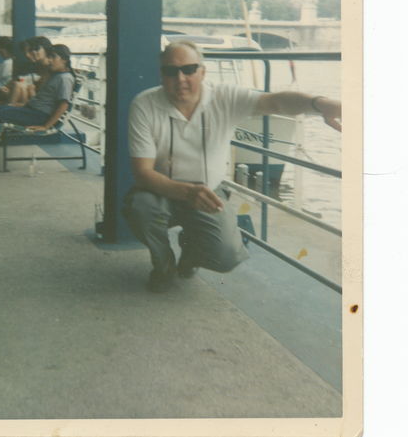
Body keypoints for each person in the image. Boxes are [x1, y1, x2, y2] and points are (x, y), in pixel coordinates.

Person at [123, 40, 342, 293]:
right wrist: (187, 193)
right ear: (161, 75)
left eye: (189, 69)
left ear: (203, 72)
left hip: (210, 191)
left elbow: (277, 102)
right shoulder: (144, 104)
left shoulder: (223, 97)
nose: (180, 78)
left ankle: (191, 252)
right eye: (171, 71)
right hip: (161, 191)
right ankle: (163, 266)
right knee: (140, 208)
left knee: (227, 257)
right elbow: (142, 173)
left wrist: (320, 104)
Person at [0, 44, 75, 169]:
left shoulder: (65, 79)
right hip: (31, 110)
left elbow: (63, 105)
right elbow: (44, 100)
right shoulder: (55, 75)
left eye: (53, 57)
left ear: (64, 60)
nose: (49, 60)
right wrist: (21, 105)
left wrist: (46, 126)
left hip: (39, 116)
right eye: (49, 57)